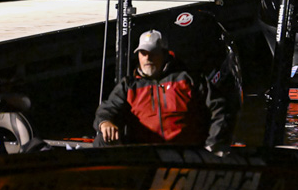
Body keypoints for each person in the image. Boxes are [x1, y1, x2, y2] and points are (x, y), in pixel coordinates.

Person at [94, 29, 230, 147]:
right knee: (102, 139)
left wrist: (214, 144)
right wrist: (105, 122)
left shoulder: (188, 79)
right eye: (143, 53)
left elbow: (219, 109)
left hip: (187, 153)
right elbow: (107, 109)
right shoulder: (128, 86)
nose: (147, 58)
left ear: (165, 54)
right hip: (145, 154)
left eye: (153, 53)